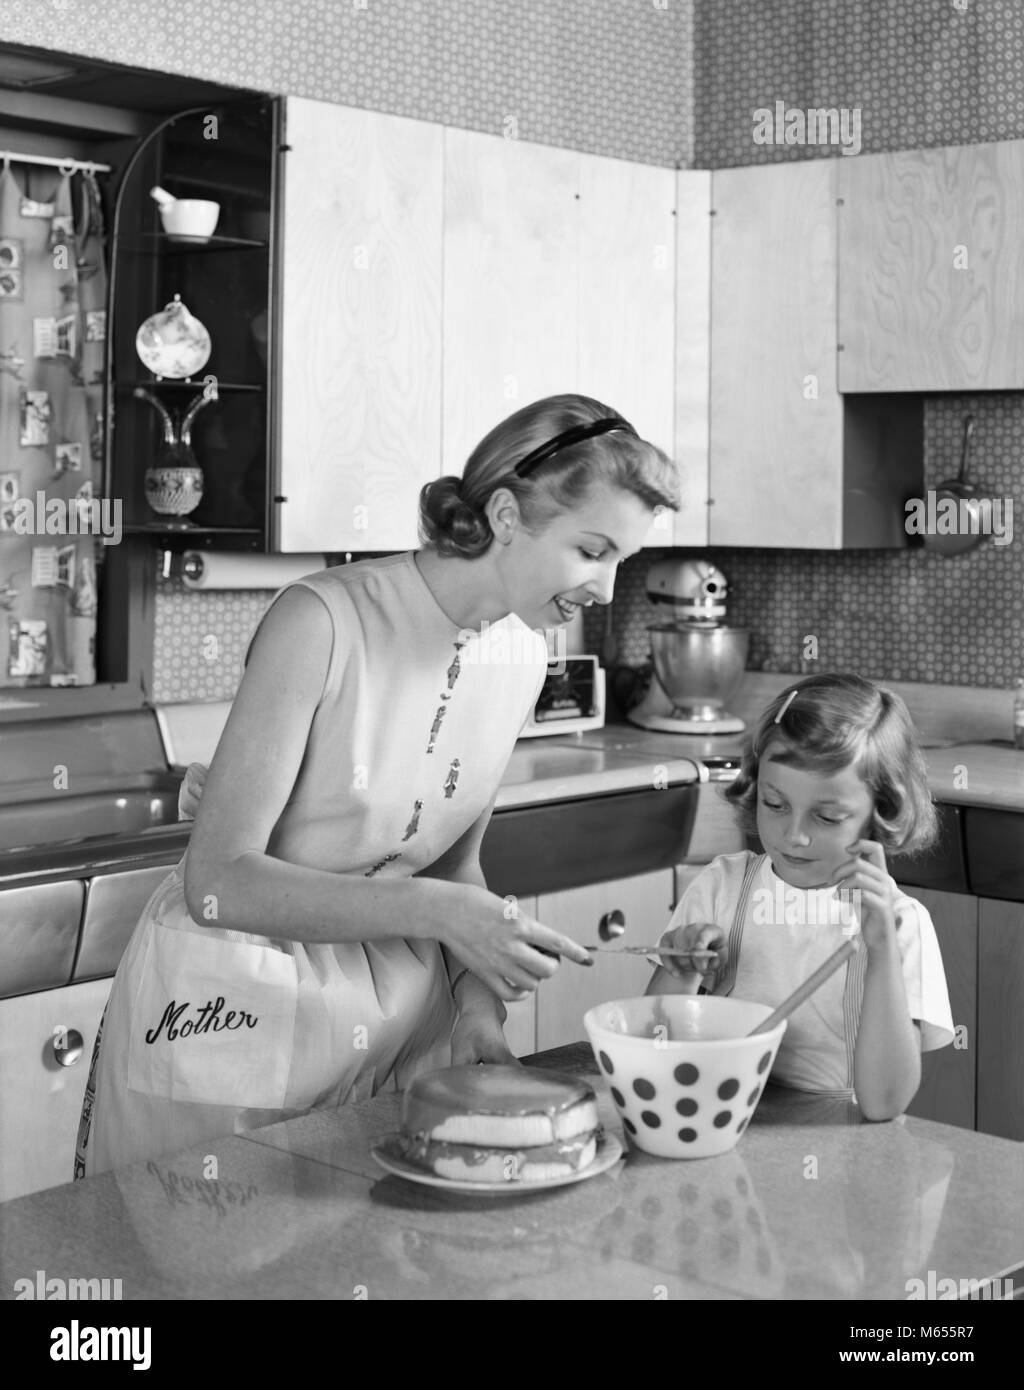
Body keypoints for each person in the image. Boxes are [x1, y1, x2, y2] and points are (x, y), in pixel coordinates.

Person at [76, 393, 680, 1177]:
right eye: (593, 550)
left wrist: (472, 1009)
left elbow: (452, 868)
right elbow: (218, 882)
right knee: (205, 1278)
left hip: (397, 1024)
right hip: (235, 1014)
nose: (606, 587)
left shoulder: (522, 655)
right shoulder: (321, 623)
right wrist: (440, 912)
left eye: (621, 561)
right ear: (505, 514)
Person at [647, 673, 954, 1120]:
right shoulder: (720, 888)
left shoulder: (901, 923)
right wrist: (681, 973)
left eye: (827, 818)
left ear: (880, 813)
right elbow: (657, 1049)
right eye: (775, 804)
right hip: (726, 1120)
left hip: (840, 1136)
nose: (794, 836)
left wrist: (882, 949)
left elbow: (884, 1103)